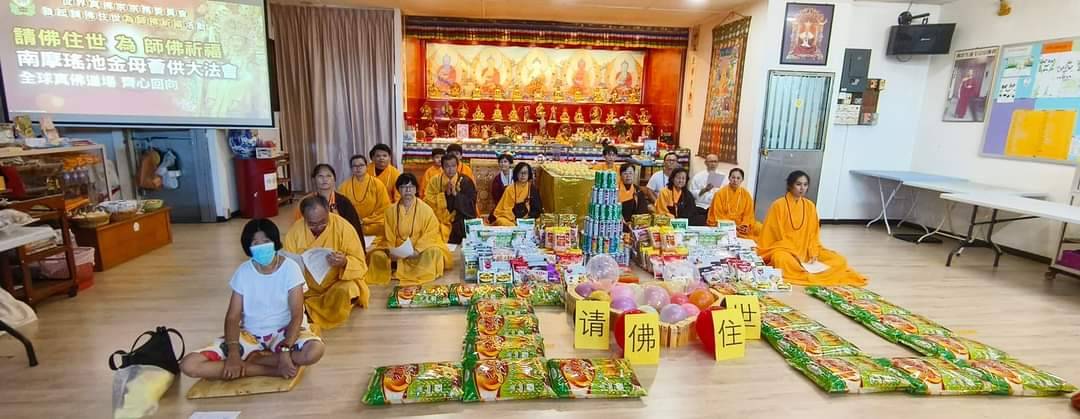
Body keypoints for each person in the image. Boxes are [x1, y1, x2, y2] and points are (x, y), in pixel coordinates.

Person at [180, 219, 325, 380]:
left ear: (275, 242)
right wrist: (234, 354)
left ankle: (257, 360)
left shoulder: (290, 268)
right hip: (250, 335)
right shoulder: (243, 272)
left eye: (266, 241)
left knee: (314, 351)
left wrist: (285, 350)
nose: (261, 246)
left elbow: (297, 314)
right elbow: (233, 317)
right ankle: (269, 369)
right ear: (248, 248)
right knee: (189, 365)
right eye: (255, 243)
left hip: (284, 333)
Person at [758, 171, 867, 287]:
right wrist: (792, 252)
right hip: (786, 250)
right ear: (790, 185)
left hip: (807, 251)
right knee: (780, 259)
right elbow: (774, 235)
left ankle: (807, 272)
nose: (802, 188)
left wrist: (813, 251)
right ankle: (814, 274)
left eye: (805, 185)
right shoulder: (778, 205)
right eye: (798, 184)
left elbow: (813, 234)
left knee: (840, 260)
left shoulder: (810, 206)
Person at [284, 196, 369, 329]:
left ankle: (308, 311)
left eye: (323, 221)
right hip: (308, 288)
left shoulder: (343, 227)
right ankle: (312, 309)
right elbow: (287, 266)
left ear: (328, 212)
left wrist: (345, 262)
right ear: (304, 218)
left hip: (336, 284)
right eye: (312, 224)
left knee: (346, 290)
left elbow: (360, 263)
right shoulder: (295, 232)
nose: (318, 227)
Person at [366, 174, 451, 285]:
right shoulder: (390, 211)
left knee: (435, 252)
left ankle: (405, 269)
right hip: (397, 247)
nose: (407, 190)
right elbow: (388, 234)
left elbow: (431, 233)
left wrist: (417, 250)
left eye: (411, 187)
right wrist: (392, 250)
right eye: (403, 187)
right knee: (377, 255)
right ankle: (395, 265)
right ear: (398, 190)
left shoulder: (426, 209)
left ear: (416, 189)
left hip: (419, 249)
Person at [294, 164, 364, 243]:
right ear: (313, 180)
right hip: (313, 243)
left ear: (334, 179)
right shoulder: (306, 202)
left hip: (340, 243)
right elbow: (299, 228)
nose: (324, 179)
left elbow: (355, 228)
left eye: (328, 176)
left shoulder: (344, 202)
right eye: (320, 176)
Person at [424, 153, 478, 244]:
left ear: (457, 166)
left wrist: (456, 195)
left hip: (459, 217)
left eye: (453, 166)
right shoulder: (435, 180)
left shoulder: (465, 181)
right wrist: (445, 195)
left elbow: (471, 204)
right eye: (447, 166)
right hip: (439, 217)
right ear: (442, 167)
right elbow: (427, 200)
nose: (450, 169)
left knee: (465, 227)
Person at [338, 155, 391, 236]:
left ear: (366, 167)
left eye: (361, 165)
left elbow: (384, 208)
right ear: (351, 168)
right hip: (352, 223)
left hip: (373, 223)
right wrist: (355, 221)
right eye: (355, 166)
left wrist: (365, 220)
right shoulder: (344, 187)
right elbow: (341, 209)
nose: (358, 168)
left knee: (386, 224)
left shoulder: (377, 184)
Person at [707, 168, 761, 239]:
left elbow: (748, 214)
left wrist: (745, 225)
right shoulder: (720, 194)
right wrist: (734, 226)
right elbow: (718, 215)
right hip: (724, 224)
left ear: (742, 180)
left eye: (738, 178)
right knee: (729, 232)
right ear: (729, 178)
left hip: (741, 225)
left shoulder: (746, 194)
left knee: (760, 228)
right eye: (733, 177)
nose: (735, 180)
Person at [493, 162, 542, 226]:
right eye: (520, 173)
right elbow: (505, 209)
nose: (523, 175)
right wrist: (514, 219)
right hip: (511, 219)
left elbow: (537, 209)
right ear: (516, 174)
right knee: (501, 221)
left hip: (527, 218)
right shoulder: (510, 189)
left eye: (525, 173)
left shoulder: (532, 189)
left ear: (529, 174)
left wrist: (527, 217)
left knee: (539, 221)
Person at [688, 154, 724, 226]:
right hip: (701, 206)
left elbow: (726, 193)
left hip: (716, 207)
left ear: (718, 163)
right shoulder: (698, 176)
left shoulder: (723, 177)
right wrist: (705, 190)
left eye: (715, 161)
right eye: (711, 161)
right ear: (705, 163)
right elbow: (691, 194)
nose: (713, 164)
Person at [488, 153, 514, 223]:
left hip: (515, 204)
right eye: (501, 162)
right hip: (502, 205)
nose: (503, 164)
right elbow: (495, 196)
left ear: (510, 164)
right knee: (493, 217)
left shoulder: (516, 176)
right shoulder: (497, 179)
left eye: (505, 162)